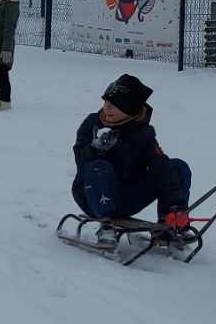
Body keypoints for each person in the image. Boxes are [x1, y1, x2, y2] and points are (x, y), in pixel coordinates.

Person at [70, 74, 193, 239]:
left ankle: (172, 219)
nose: (107, 108)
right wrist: (95, 148)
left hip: (128, 195)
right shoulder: (92, 123)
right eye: (106, 102)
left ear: (131, 108)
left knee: (176, 166)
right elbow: (80, 160)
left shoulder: (142, 132)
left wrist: (175, 198)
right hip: (91, 195)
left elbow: (160, 165)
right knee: (98, 167)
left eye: (115, 105)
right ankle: (106, 225)